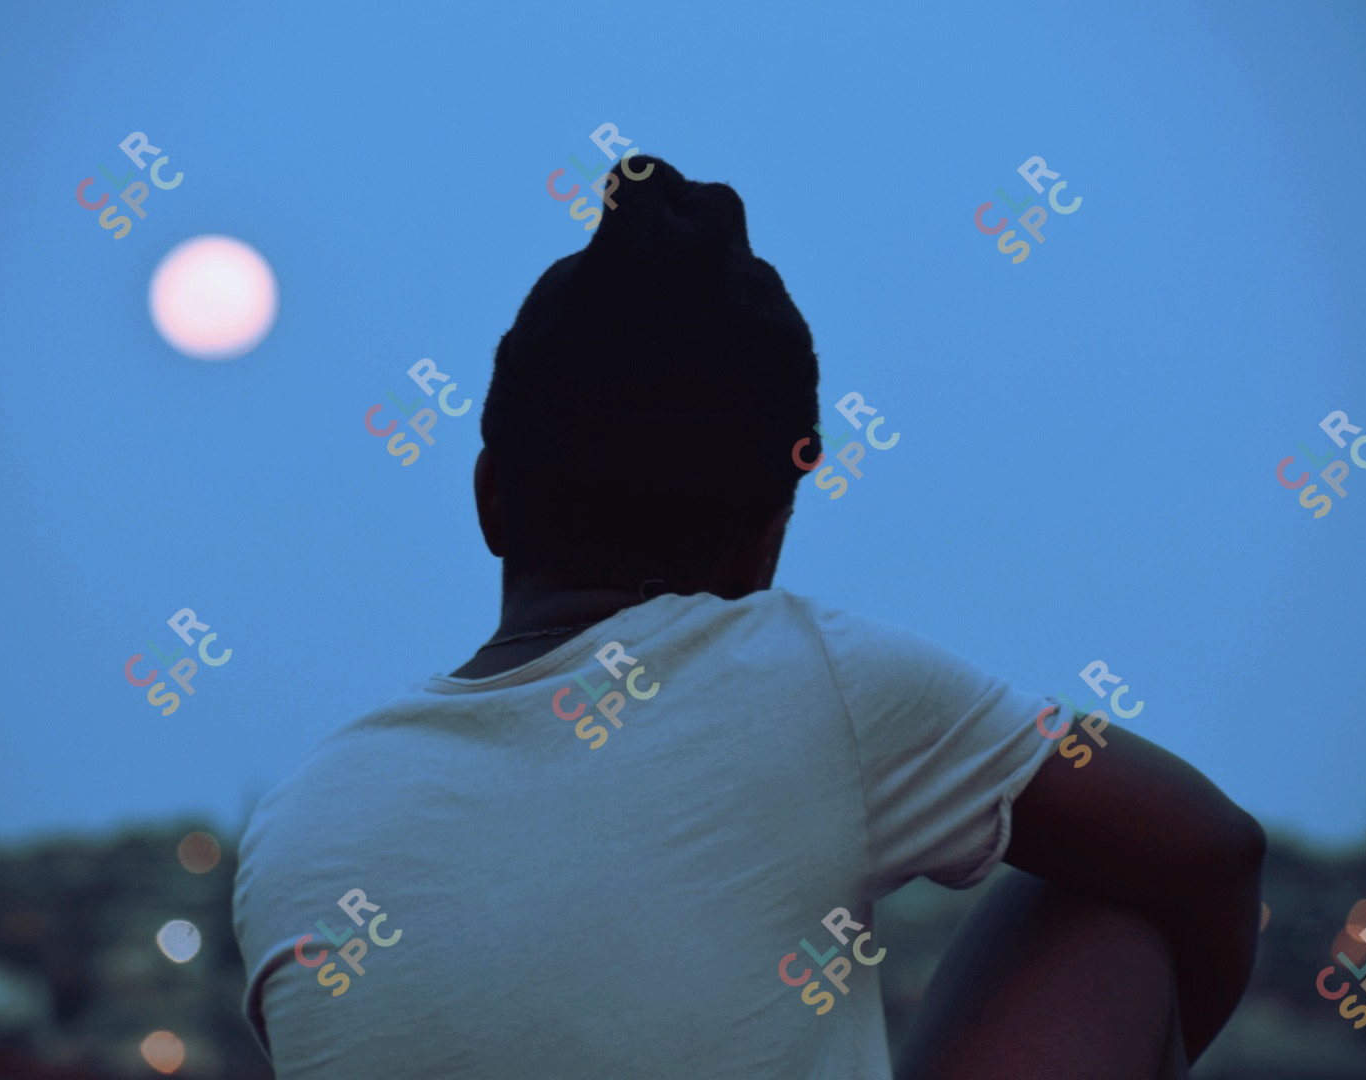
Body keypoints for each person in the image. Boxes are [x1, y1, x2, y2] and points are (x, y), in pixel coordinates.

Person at [231, 155, 1266, 1079]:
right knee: (1117, 897)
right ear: (767, 535)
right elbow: (1214, 849)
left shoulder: (297, 825)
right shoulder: (812, 680)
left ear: (489, 496)